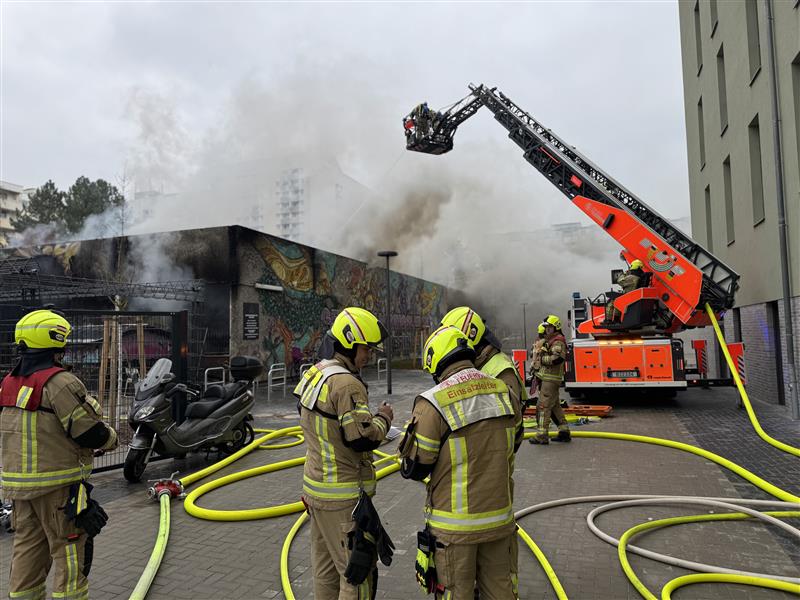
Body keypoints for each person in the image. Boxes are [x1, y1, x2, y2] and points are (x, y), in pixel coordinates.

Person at [0, 309, 118, 600]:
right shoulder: (61, 383)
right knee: (70, 549)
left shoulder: (9, 383)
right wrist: (112, 439)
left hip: (20, 490)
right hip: (58, 488)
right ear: (55, 343)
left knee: (27, 550)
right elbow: (88, 431)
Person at [400, 325, 518, 600]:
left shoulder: (433, 402)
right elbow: (516, 441)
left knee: (456, 593)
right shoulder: (503, 390)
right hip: (500, 518)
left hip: (455, 529)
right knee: (501, 590)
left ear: (437, 363)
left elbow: (416, 467)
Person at [294, 307, 395, 600]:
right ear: (350, 344)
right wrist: (384, 418)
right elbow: (360, 438)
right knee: (356, 575)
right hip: (343, 498)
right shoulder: (348, 384)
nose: (369, 356)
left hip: (316, 490)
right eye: (366, 349)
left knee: (325, 572)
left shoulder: (316, 373)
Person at [439, 307, 525, 598]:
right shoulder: (479, 367)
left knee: (496, 570)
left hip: (490, 482)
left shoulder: (499, 370)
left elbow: (512, 431)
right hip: (471, 481)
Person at [530, 315, 570, 444]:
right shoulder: (550, 340)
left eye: (550, 327)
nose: (547, 330)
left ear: (556, 327)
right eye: (546, 327)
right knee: (554, 407)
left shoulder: (557, 341)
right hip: (548, 378)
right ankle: (564, 432)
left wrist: (541, 360)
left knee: (543, 406)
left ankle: (541, 435)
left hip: (550, 379)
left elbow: (557, 359)